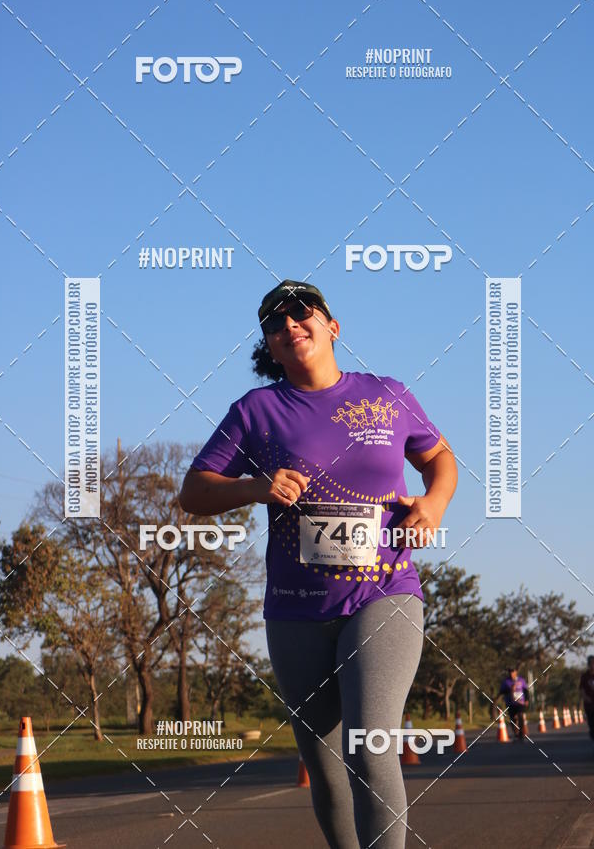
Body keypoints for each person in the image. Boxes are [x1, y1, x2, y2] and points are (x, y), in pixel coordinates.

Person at [179, 279, 458, 849]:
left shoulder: (387, 395)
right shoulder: (255, 411)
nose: (290, 326)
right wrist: (258, 486)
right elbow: (195, 491)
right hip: (295, 608)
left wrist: (432, 504)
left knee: (369, 743)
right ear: (271, 347)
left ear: (332, 325)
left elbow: (441, 459)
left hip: (385, 591)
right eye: (275, 324)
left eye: (302, 313)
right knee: (326, 765)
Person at [497, 666, 529, 740]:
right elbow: (501, 691)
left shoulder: (521, 680)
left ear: (516, 672)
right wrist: (510, 690)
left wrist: (527, 700)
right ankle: (516, 733)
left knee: (521, 715)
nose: (511, 674)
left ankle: (521, 733)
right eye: (510, 672)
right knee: (513, 718)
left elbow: (526, 691)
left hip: (520, 702)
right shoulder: (506, 682)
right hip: (510, 702)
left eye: (513, 672)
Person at [579, 655, 594, 741]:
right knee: (592, 726)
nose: (592, 665)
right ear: (588, 665)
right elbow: (581, 689)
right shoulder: (585, 676)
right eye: (591, 663)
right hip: (589, 706)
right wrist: (586, 697)